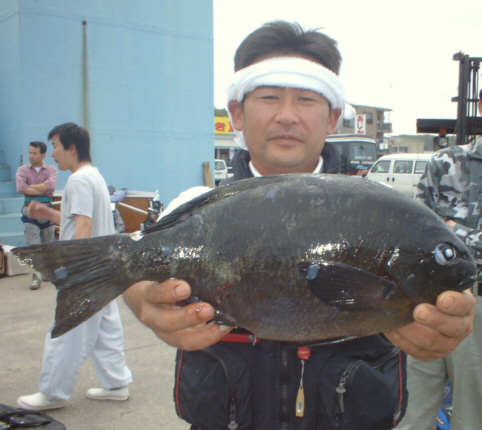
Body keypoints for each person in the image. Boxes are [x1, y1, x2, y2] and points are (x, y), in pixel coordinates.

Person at [123, 21, 476, 430]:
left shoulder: (385, 209)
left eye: (307, 99)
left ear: (333, 116)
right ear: (236, 112)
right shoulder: (194, 206)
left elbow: (450, 289)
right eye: (269, 97)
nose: (287, 116)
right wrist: (142, 301)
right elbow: (131, 261)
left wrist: (450, 316)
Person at [17, 123, 132, 411]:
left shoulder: (78, 181)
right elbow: (77, 220)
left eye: (56, 146)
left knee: (66, 330)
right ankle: (116, 383)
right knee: (105, 328)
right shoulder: (95, 177)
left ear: (71, 148)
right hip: (102, 268)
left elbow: (83, 225)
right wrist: (47, 212)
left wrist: (74, 270)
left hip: (86, 272)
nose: (52, 153)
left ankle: (52, 392)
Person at [396, 90, 482, 430]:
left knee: (471, 416)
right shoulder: (446, 162)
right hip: (425, 306)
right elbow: (413, 234)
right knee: (409, 414)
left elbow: (436, 237)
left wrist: (453, 230)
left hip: (479, 311)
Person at [15, 141, 58, 290]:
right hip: (30, 211)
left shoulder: (51, 170)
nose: (31, 156)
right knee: (33, 246)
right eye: (30, 153)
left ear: (43, 155)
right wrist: (41, 189)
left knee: (47, 245)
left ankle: (45, 272)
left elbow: (50, 186)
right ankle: (35, 276)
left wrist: (30, 188)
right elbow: (21, 188)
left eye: (34, 153)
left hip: (47, 211)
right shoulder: (22, 170)